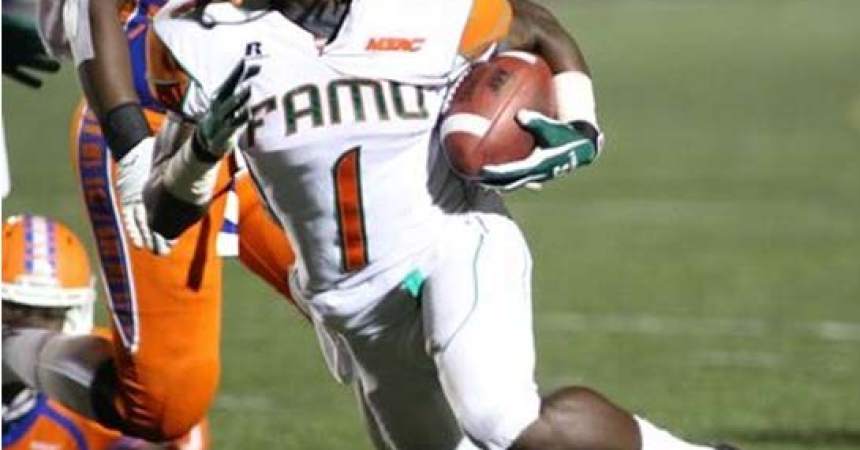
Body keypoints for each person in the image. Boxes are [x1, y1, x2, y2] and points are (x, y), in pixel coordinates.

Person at [142, 0, 742, 449]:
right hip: (354, 305)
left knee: (500, 418)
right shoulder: (204, 40)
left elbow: (536, 27)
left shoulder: (420, 8)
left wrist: (581, 126)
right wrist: (202, 148)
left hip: (452, 241)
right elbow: (164, 215)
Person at [2, 0, 299, 441]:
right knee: (164, 404)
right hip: (156, 106)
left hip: (301, 101)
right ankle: (10, 351)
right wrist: (130, 142)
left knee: (380, 309)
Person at [2, 214, 209, 450]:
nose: (32, 331)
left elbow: (173, 408)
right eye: (15, 312)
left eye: (49, 315)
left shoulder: (92, 378)